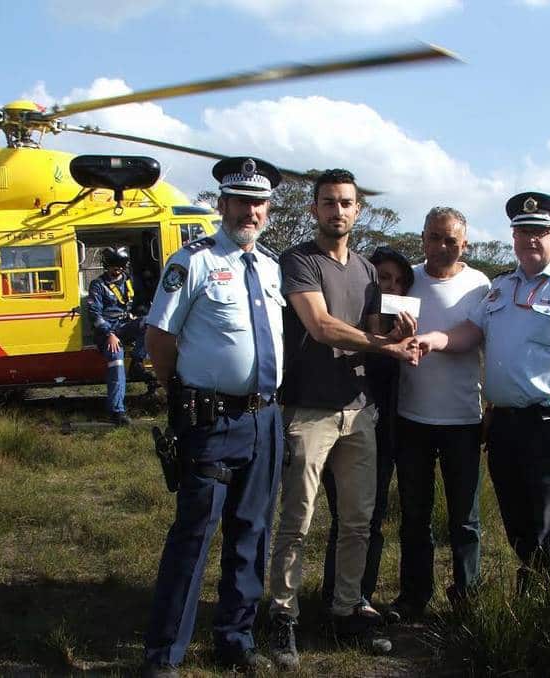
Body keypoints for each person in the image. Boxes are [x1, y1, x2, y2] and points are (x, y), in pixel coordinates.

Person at [416, 192, 550, 588]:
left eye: (539, 232)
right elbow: (471, 331)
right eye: (522, 232)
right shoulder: (502, 287)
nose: (530, 240)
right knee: (517, 518)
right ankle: (532, 598)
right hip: (503, 426)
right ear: (513, 237)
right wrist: (433, 340)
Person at [267, 169, 418, 670]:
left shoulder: (368, 272)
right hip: (308, 409)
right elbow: (322, 325)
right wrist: (383, 344)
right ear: (314, 210)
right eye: (328, 202)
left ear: (358, 210)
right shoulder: (298, 261)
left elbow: (374, 331)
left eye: (346, 203)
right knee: (298, 519)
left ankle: (346, 607)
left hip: (359, 412)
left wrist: (401, 334)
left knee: (358, 520)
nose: (337, 211)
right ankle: (283, 614)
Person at [142, 157, 285, 677]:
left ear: (268, 209)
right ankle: (164, 655)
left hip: (264, 419)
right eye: (241, 199)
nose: (251, 210)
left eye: (259, 201)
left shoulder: (270, 267)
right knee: (194, 534)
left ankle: (235, 637)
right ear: (221, 203)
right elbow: (159, 338)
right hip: (209, 420)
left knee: (252, 531)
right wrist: (177, 393)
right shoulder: (194, 261)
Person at [391, 207, 491, 619]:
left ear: (464, 243)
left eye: (451, 240)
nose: (442, 246)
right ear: (423, 238)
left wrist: (434, 339)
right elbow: (385, 333)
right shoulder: (406, 279)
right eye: (434, 237)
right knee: (414, 515)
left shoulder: (479, 285)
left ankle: (467, 598)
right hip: (411, 416)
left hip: (463, 420)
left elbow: (478, 336)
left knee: (464, 519)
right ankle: (414, 596)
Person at [319, 245, 415, 618]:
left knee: (371, 518)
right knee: (346, 516)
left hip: (386, 433)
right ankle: (336, 596)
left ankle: (360, 595)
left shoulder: (403, 329)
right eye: (382, 278)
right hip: (344, 424)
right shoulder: (352, 326)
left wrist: (404, 341)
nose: (390, 286)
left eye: (398, 281)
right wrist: (378, 340)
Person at [86, 246, 147, 426]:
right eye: (113, 267)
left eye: (119, 267)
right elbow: (94, 314)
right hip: (106, 332)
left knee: (150, 322)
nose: (116, 270)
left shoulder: (130, 281)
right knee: (116, 360)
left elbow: (140, 303)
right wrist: (109, 334)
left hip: (125, 326)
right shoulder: (98, 285)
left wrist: (138, 314)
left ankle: (137, 361)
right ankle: (117, 410)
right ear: (106, 266)